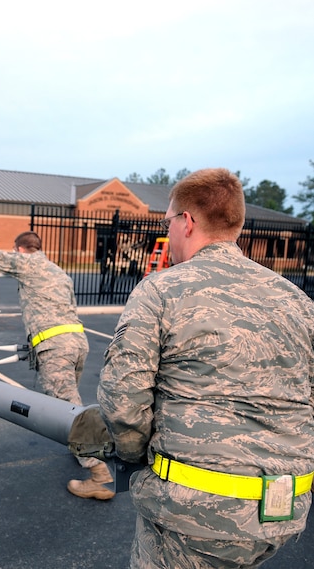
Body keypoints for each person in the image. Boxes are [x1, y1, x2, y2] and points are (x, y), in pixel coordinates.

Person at [97, 168, 314, 568]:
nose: (169, 232)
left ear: (188, 221)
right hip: (284, 508)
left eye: (168, 222)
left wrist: (133, 455)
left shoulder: (163, 289)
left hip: (196, 512)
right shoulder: (297, 301)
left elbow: (122, 399)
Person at [0, 220, 113, 500]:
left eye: (15, 251)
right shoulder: (59, 272)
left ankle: (99, 474)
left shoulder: (28, 263)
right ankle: (83, 450)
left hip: (55, 348)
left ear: (20, 249)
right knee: (70, 402)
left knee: (68, 410)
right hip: (76, 342)